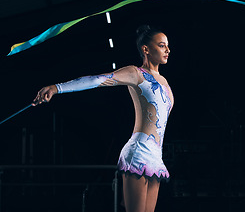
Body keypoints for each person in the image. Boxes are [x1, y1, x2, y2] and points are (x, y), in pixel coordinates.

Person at [32, 25, 173, 212]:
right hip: (139, 152)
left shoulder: (165, 83)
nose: (168, 50)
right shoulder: (136, 73)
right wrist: (56, 88)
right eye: (162, 45)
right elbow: (96, 80)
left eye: (167, 46)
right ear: (146, 49)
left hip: (157, 157)